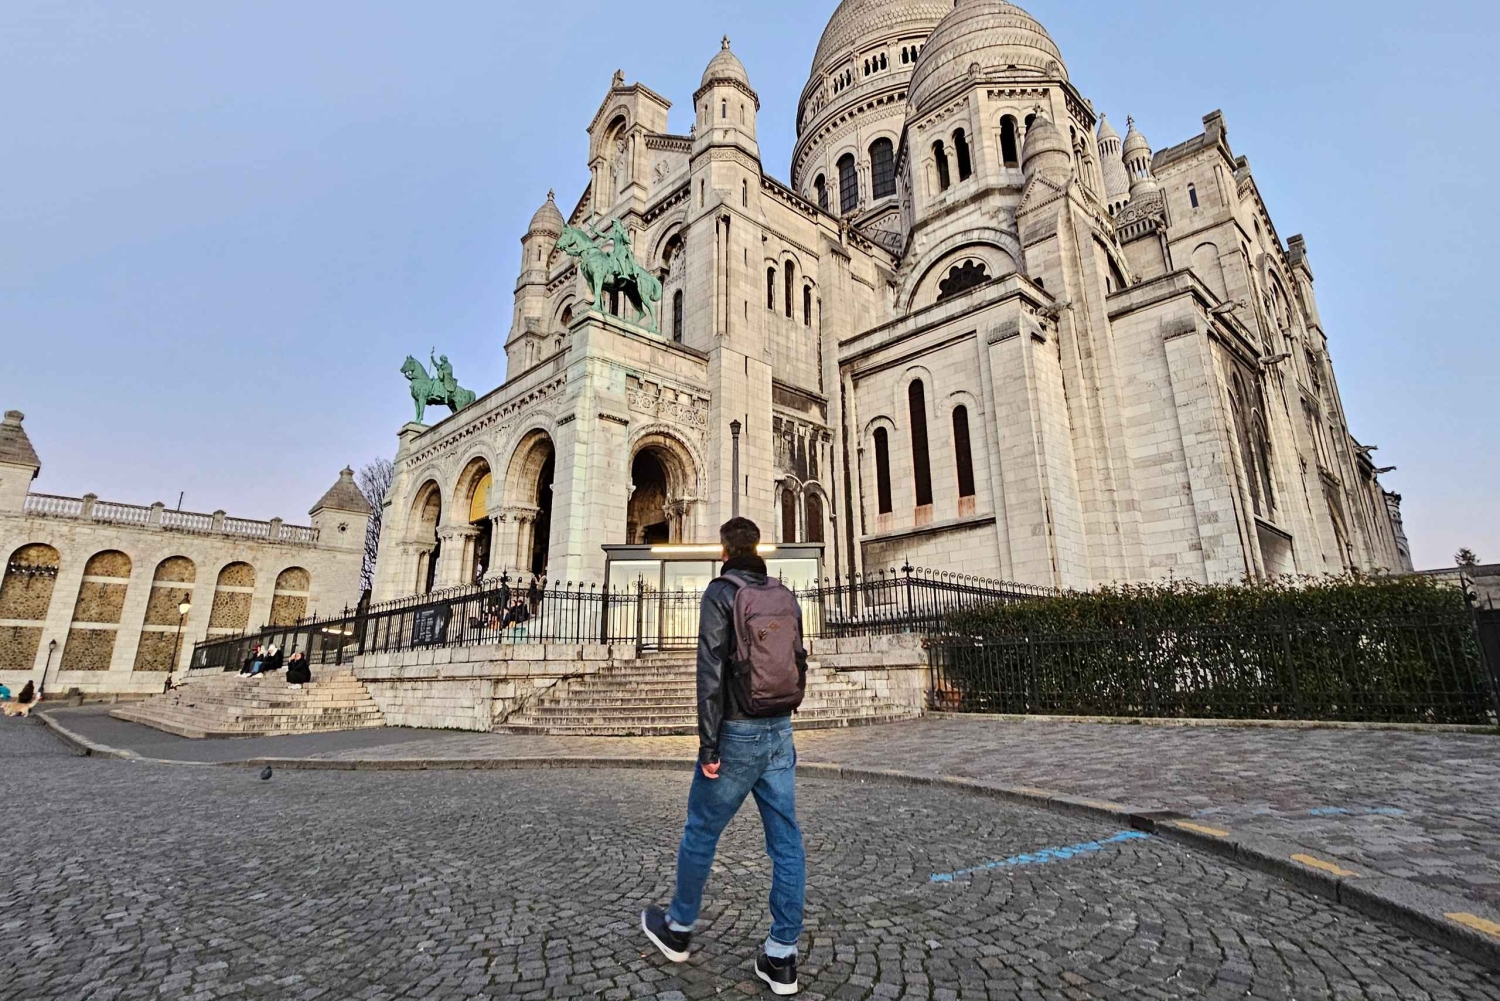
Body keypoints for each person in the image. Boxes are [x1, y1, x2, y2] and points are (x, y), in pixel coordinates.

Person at [641, 518, 808, 996]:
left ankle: (678, 929)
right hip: (779, 729)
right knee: (786, 842)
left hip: (736, 732)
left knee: (701, 829)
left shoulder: (721, 592)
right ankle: (781, 956)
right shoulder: (782, 591)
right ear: (757, 548)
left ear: (724, 549)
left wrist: (709, 744)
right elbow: (798, 658)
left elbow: (710, 671)